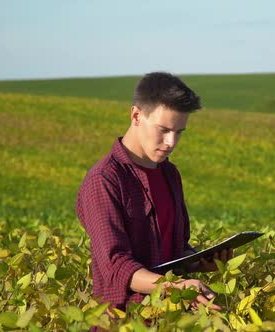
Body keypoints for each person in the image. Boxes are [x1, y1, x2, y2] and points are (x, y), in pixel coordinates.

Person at [76, 72, 232, 313]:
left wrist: (199, 263)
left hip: (172, 320)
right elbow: (116, 267)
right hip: (125, 322)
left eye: (179, 132)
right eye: (164, 129)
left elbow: (173, 250)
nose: (171, 142)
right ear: (136, 115)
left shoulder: (170, 175)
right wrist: (175, 287)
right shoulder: (104, 180)